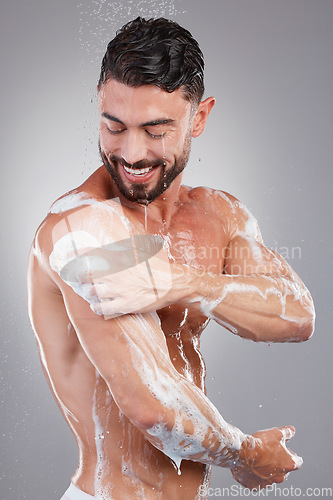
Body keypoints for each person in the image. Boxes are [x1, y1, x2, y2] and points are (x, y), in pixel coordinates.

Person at [27, 17, 315, 500]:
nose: (131, 153)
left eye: (155, 130)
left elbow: (297, 314)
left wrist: (183, 283)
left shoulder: (218, 212)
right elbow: (151, 408)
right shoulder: (84, 230)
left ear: (199, 119)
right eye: (113, 127)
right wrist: (247, 455)